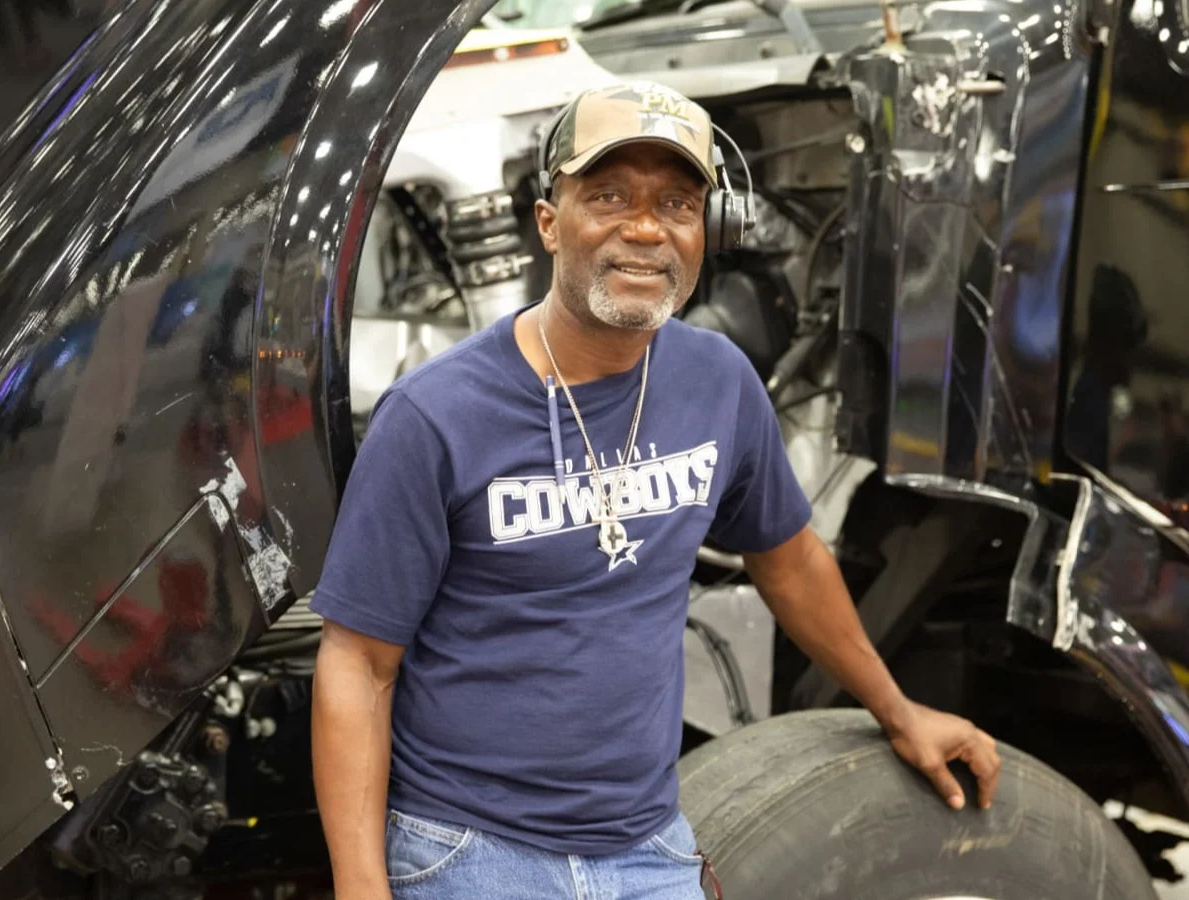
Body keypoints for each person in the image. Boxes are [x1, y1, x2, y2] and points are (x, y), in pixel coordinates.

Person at [310, 81, 1001, 899]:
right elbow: (358, 665)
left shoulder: (719, 381)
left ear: (704, 233)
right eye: (607, 196)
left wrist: (900, 710)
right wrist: (362, 888)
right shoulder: (435, 417)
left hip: (646, 849)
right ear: (547, 222)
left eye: (676, 202)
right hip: (471, 853)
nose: (644, 229)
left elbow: (788, 559)